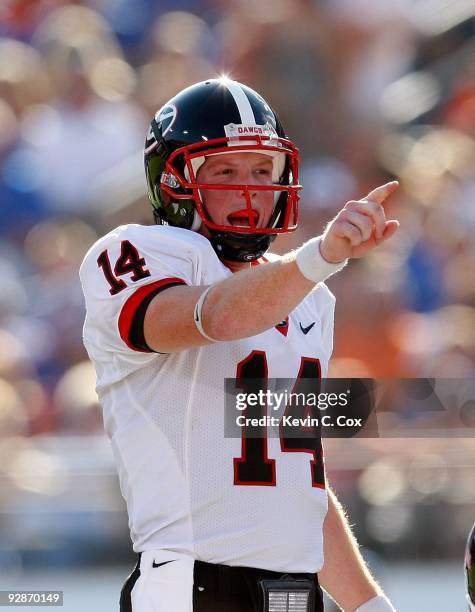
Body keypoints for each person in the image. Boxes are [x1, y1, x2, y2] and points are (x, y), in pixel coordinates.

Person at [80, 78, 398, 612]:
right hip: (189, 585)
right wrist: (322, 257)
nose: (248, 190)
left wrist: (369, 605)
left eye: (260, 171)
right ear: (175, 181)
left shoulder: (310, 298)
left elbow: (298, 488)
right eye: (225, 171)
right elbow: (218, 315)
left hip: (295, 593)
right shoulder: (138, 251)